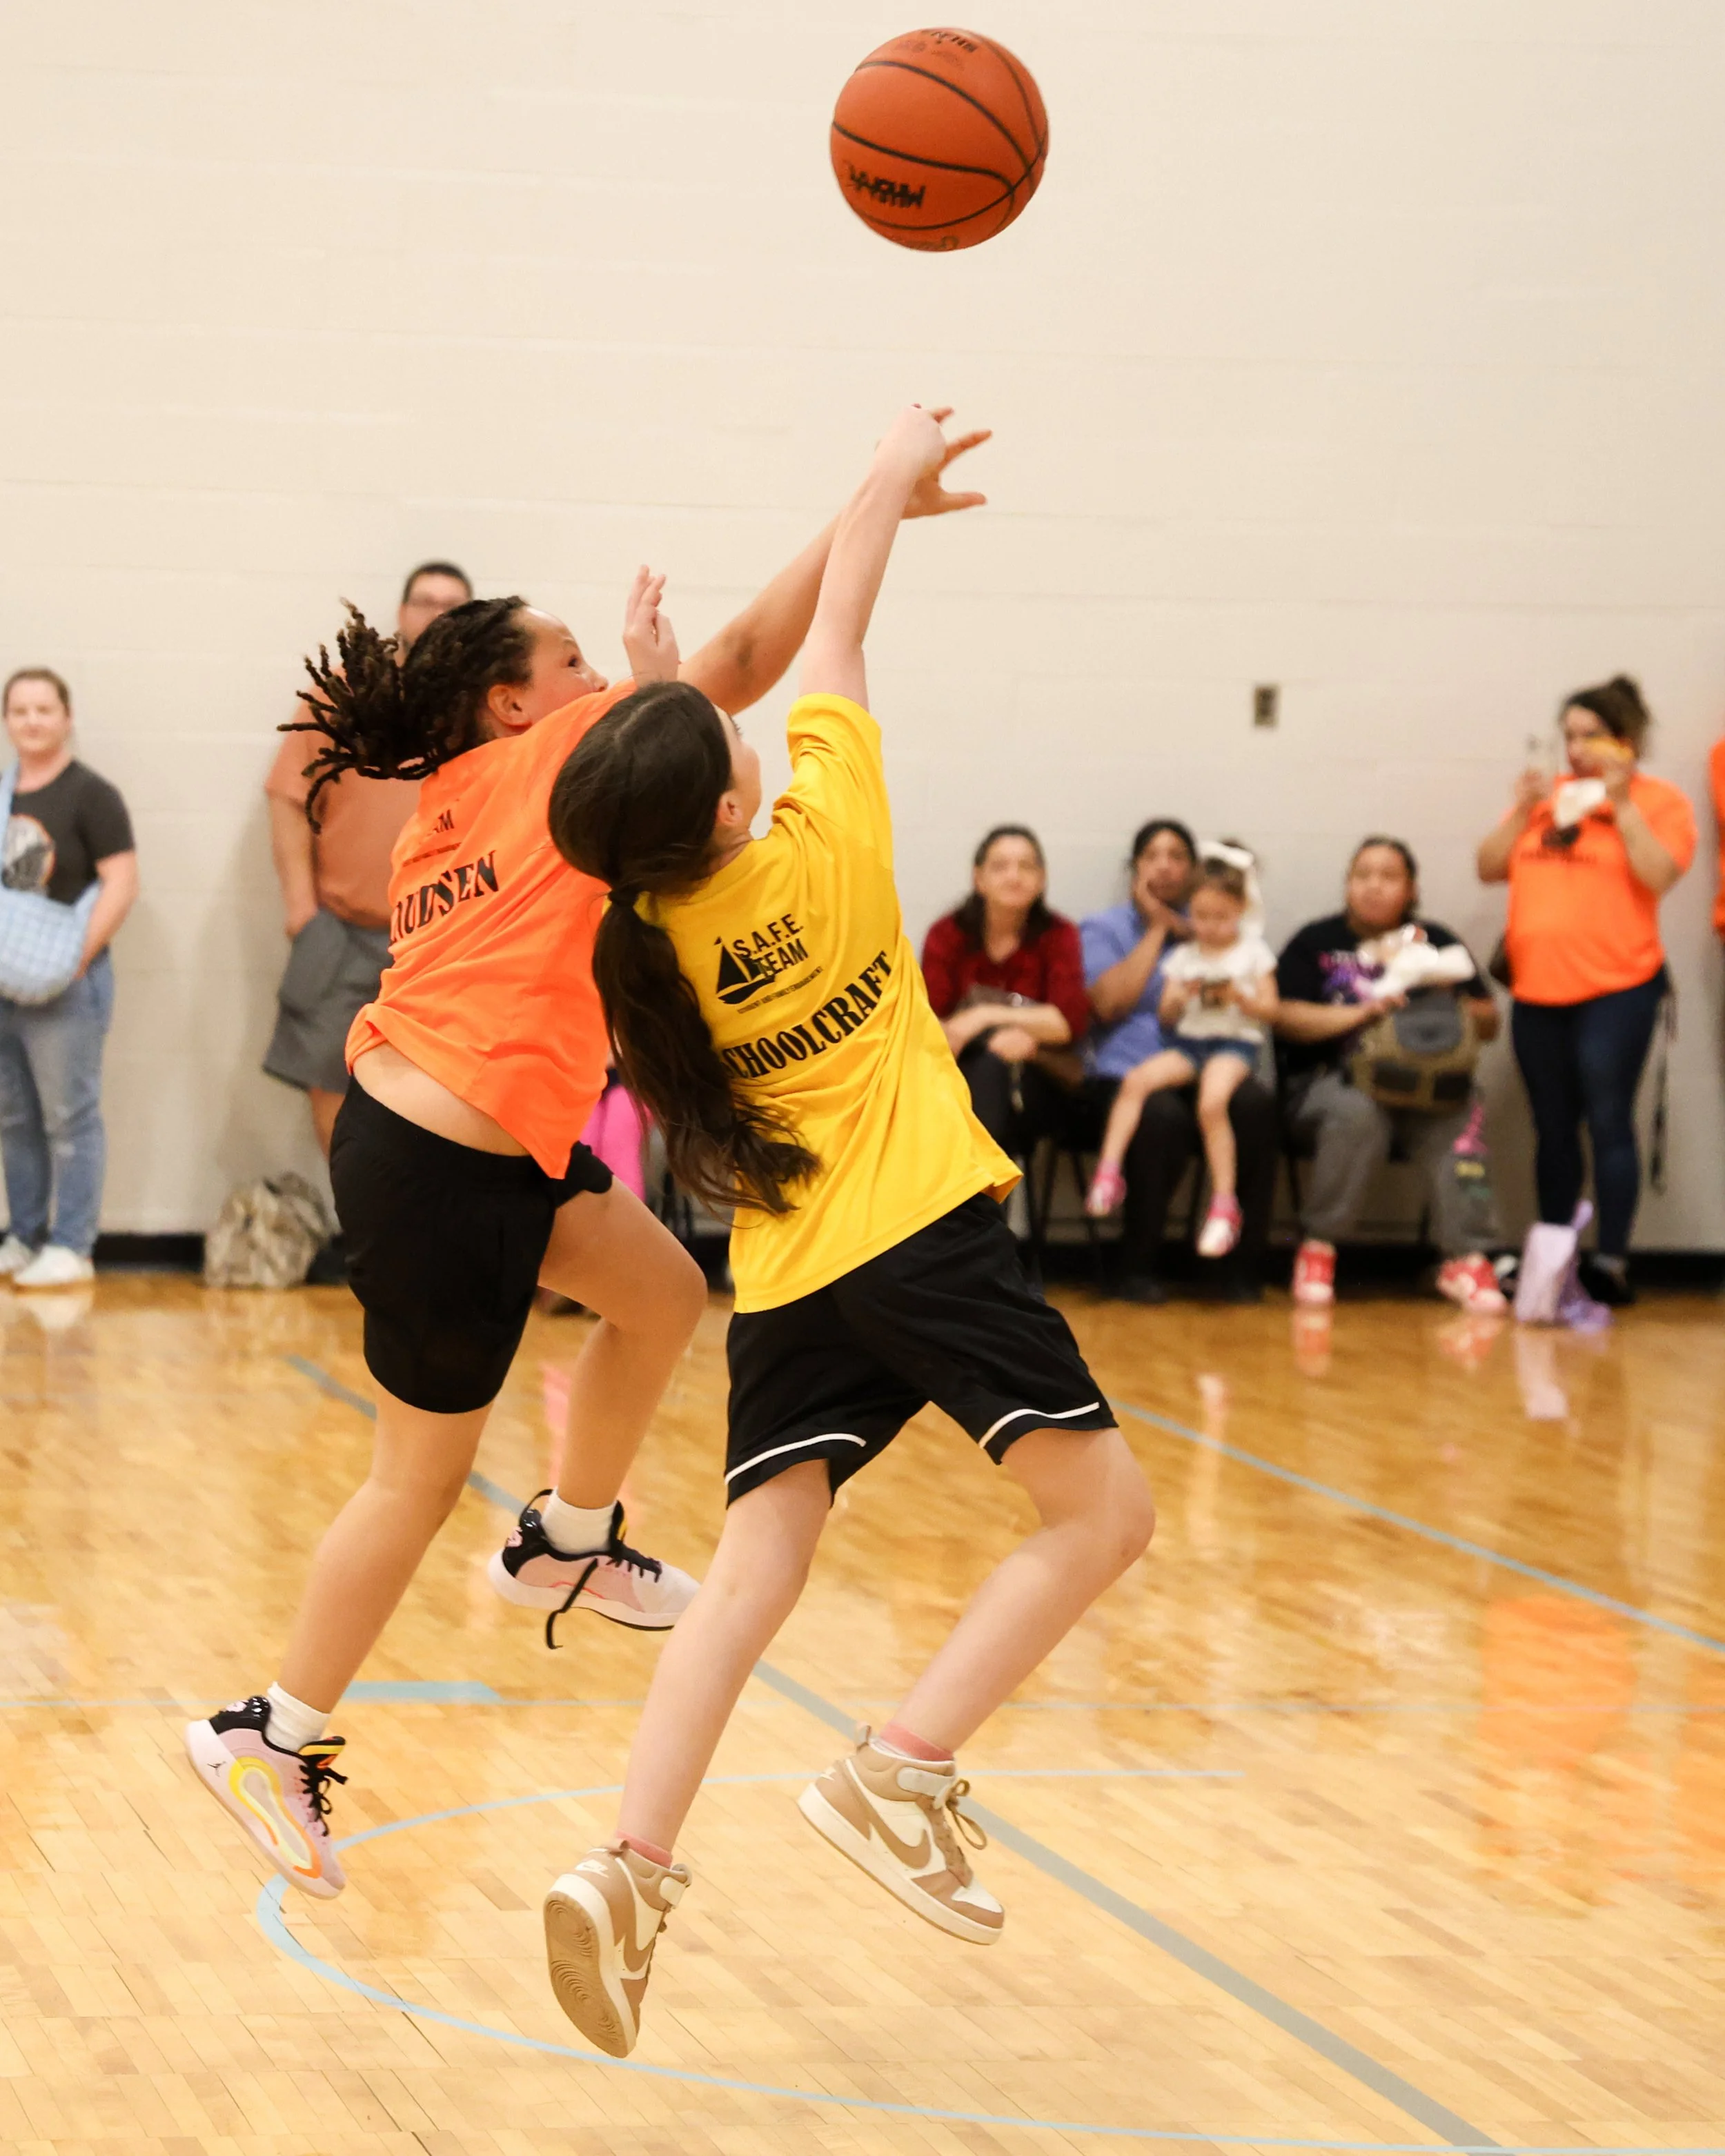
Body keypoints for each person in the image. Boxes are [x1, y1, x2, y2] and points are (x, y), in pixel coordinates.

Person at [182, 482, 927, 1898]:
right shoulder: (563, 756)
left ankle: (569, 1541)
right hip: (441, 1166)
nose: (595, 674)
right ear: (514, 704)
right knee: (413, 1480)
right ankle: (267, 1732)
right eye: (571, 658)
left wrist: (657, 683)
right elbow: (746, 660)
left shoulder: (451, 807)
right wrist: (867, 506)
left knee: (661, 1291)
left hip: (475, 1144)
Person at [534, 406, 1153, 2061]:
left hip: (791, 1268)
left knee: (755, 1569)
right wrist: (885, 478)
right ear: (727, 790)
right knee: (1105, 1514)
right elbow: (840, 624)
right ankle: (900, 1763)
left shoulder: (649, 931)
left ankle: (628, 1863)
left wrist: (658, 681)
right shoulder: (830, 837)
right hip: (921, 1234)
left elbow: (695, 764)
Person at [1477, 675, 1694, 1305]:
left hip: (1618, 988)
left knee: (1608, 1120)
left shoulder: (1659, 801)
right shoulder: (1550, 798)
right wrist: (1523, 811)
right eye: (1569, 736)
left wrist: (1622, 806)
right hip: (1539, 989)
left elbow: (1658, 874)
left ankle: (1611, 1261)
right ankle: (1554, 1264)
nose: (1575, 749)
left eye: (1590, 735)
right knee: (1552, 1127)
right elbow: (1488, 866)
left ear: (1626, 741)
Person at [264, 561, 473, 1167]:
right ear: (402, 613)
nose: (437, 615)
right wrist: (301, 910)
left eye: (453, 606)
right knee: (332, 1084)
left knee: (441, 1094)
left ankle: (420, 1222)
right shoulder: (345, 694)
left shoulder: (484, 706)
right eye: (425, 601)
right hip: (343, 932)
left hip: (447, 943)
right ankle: (355, 1216)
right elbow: (287, 795)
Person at [1275, 838, 1504, 1312]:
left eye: (1388, 876)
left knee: (1465, 1116)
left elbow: (1489, 1023)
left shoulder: (1435, 941)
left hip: (1426, 1088)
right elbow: (1285, 1018)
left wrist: (1446, 994)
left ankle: (1467, 1258)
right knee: (1357, 1112)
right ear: (1348, 885)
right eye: (1363, 875)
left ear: (1411, 889)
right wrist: (1365, 1012)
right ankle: (1319, 1248)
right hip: (1330, 1081)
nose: (1374, 886)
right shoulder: (1317, 942)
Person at [1077, 820, 1279, 1303]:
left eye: (1176, 857)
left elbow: (1266, 1000)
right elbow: (1109, 1005)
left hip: (1216, 1055)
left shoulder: (1220, 922)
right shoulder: (1107, 928)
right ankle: (1137, 1266)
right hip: (1137, 1066)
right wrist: (1160, 928)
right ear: (1134, 869)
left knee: (1254, 1106)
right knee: (1160, 1115)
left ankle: (1239, 1268)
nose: (1164, 866)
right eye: (1152, 856)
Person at [0, 668, 139, 1289]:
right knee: (14, 1117)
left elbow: (122, 882)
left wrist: (74, 961)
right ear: (7, 721)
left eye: (44, 709)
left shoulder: (92, 795)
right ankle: (24, 1235)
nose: (32, 721)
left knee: (69, 1116)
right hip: (6, 984)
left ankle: (72, 1243)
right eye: (19, 710)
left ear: (66, 716)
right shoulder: (5, 794)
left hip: (65, 987)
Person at [919, 824, 1089, 1160]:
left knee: (993, 1076)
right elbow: (932, 1023)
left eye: (1026, 866)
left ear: (1042, 879)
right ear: (979, 878)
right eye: (1000, 867)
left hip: (1038, 1075)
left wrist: (984, 1016)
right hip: (960, 1073)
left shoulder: (1059, 934)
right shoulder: (948, 934)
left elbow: (1066, 1023)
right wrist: (991, 1039)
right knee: (983, 1069)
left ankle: (985, 1187)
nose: (1014, 877)